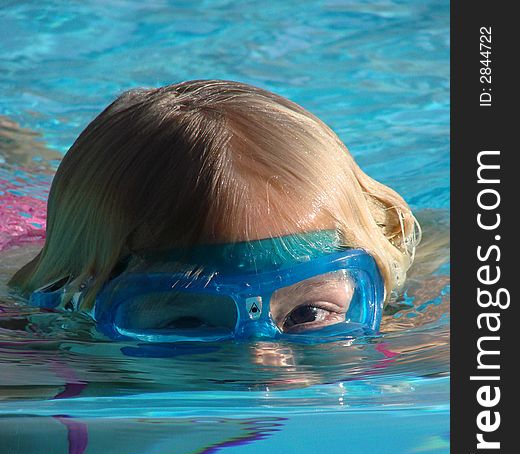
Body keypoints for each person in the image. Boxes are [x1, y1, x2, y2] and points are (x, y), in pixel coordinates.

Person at [9, 80, 420, 343]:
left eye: (307, 313)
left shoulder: (409, 324)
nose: (260, 365)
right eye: (188, 323)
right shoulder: (33, 339)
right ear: (71, 304)